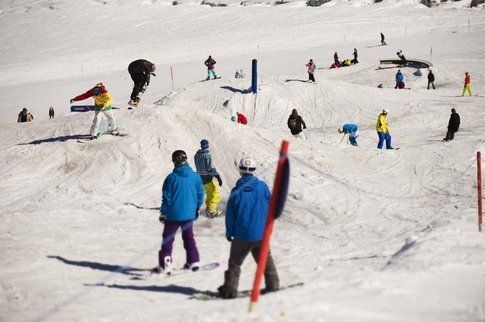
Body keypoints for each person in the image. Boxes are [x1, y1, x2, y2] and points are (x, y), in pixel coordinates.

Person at [217, 157, 280, 299]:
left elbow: (231, 216)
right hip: (261, 232)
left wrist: (229, 232)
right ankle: (273, 284)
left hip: (242, 234)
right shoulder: (262, 187)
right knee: (265, 258)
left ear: (240, 170)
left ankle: (230, 289)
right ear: (254, 169)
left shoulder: (236, 191)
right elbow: (271, 205)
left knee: (235, 262)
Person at [154, 150, 205, 274]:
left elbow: (167, 198)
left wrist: (163, 213)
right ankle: (194, 261)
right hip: (189, 214)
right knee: (188, 237)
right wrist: (197, 208)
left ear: (174, 161)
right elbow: (200, 194)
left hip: (173, 215)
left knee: (168, 239)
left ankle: (166, 264)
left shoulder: (171, 178)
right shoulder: (195, 176)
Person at [194, 139, 223, 218]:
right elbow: (210, 168)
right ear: (207, 145)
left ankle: (208, 209)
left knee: (209, 194)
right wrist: (217, 176)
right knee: (214, 194)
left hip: (200, 178)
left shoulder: (196, 155)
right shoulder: (207, 155)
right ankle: (212, 211)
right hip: (207, 178)